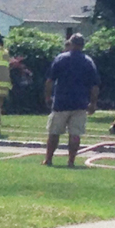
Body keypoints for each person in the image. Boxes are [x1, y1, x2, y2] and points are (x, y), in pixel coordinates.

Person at [42, 33, 100, 167]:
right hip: (80, 102)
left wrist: (48, 97)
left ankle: (48, 159)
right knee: (75, 134)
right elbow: (94, 86)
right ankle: (71, 161)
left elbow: (50, 80)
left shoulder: (60, 59)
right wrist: (93, 103)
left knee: (54, 132)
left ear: (71, 44)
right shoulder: (88, 61)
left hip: (61, 102)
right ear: (83, 46)